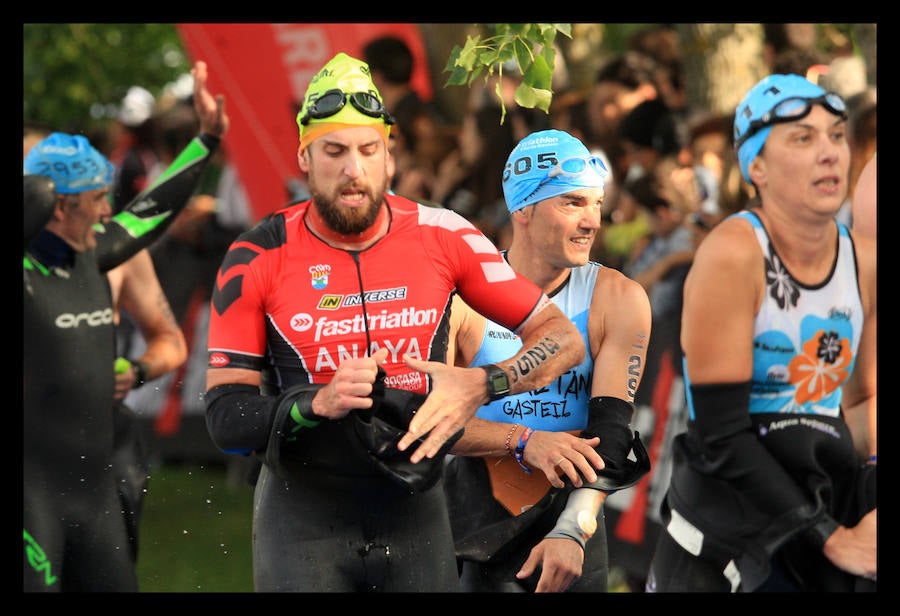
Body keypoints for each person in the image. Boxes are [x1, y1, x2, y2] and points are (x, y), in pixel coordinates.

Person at [202, 52, 584, 593]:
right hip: (304, 521)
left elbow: (561, 337)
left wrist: (482, 383)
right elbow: (225, 418)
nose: (353, 170)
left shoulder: (443, 234)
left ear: (390, 156)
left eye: (367, 150)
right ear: (305, 158)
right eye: (334, 151)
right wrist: (316, 403)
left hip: (415, 516)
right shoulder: (257, 254)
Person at [645, 74, 877, 592]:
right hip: (724, 532)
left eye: (836, 135)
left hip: (812, 512)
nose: (829, 153)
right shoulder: (733, 253)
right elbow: (722, 434)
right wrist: (832, 538)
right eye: (802, 138)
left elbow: (861, 403)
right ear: (758, 168)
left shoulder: (863, 263)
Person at [23, 60, 228, 592]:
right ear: (56, 207)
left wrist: (207, 140)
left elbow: (153, 209)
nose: (107, 212)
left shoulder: (95, 255)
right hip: (33, 499)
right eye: (96, 200)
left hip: (94, 499)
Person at [443, 129, 652, 592]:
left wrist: (573, 529)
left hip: (570, 525)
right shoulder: (463, 300)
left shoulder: (617, 298)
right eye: (572, 203)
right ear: (523, 209)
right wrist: (523, 440)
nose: (592, 221)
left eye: (596, 203)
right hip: (475, 521)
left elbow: (612, 431)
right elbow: (430, 423)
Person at [108, 248, 188, 563]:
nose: (105, 208)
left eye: (106, 196)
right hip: (35, 441)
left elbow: (171, 341)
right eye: (97, 197)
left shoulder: (120, 250)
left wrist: (137, 371)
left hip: (105, 435)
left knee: (112, 571)